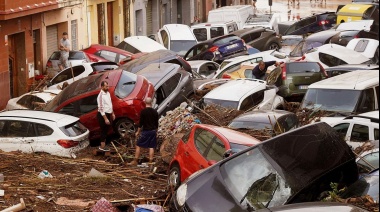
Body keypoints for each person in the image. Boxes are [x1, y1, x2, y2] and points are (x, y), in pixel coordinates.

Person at [129, 97, 159, 166]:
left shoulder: (143, 112)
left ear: (145, 103)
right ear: (151, 103)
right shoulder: (155, 112)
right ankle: (150, 162)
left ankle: (135, 160)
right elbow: (156, 124)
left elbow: (141, 123)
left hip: (146, 132)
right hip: (153, 131)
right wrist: (156, 132)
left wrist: (138, 132)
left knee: (138, 145)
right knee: (151, 146)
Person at [97, 81, 115, 151]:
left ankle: (105, 144)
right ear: (102, 87)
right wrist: (105, 119)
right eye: (106, 86)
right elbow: (101, 108)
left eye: (108, 86)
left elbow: (110, 104)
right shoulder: (100, 96)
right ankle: (102, 147)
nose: (108, 87)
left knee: (107, 129)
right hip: (103, 115)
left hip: (108, 113)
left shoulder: (108, 93)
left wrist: (112, 113)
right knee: (104, 130)